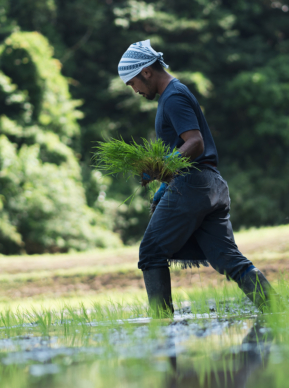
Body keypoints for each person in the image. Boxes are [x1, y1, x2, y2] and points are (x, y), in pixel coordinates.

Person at [118, 40, 275, 317]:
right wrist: (164, 182)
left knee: (151, 252)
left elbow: (195, 143)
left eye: (132, 83)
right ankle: (279, 310)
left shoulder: (174, 97)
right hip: (211, 186)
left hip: (193, 184)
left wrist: (159, 168)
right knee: (228, 258)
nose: (135, 91)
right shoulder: (174, 95)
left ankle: (162, 326)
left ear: (146, 72)